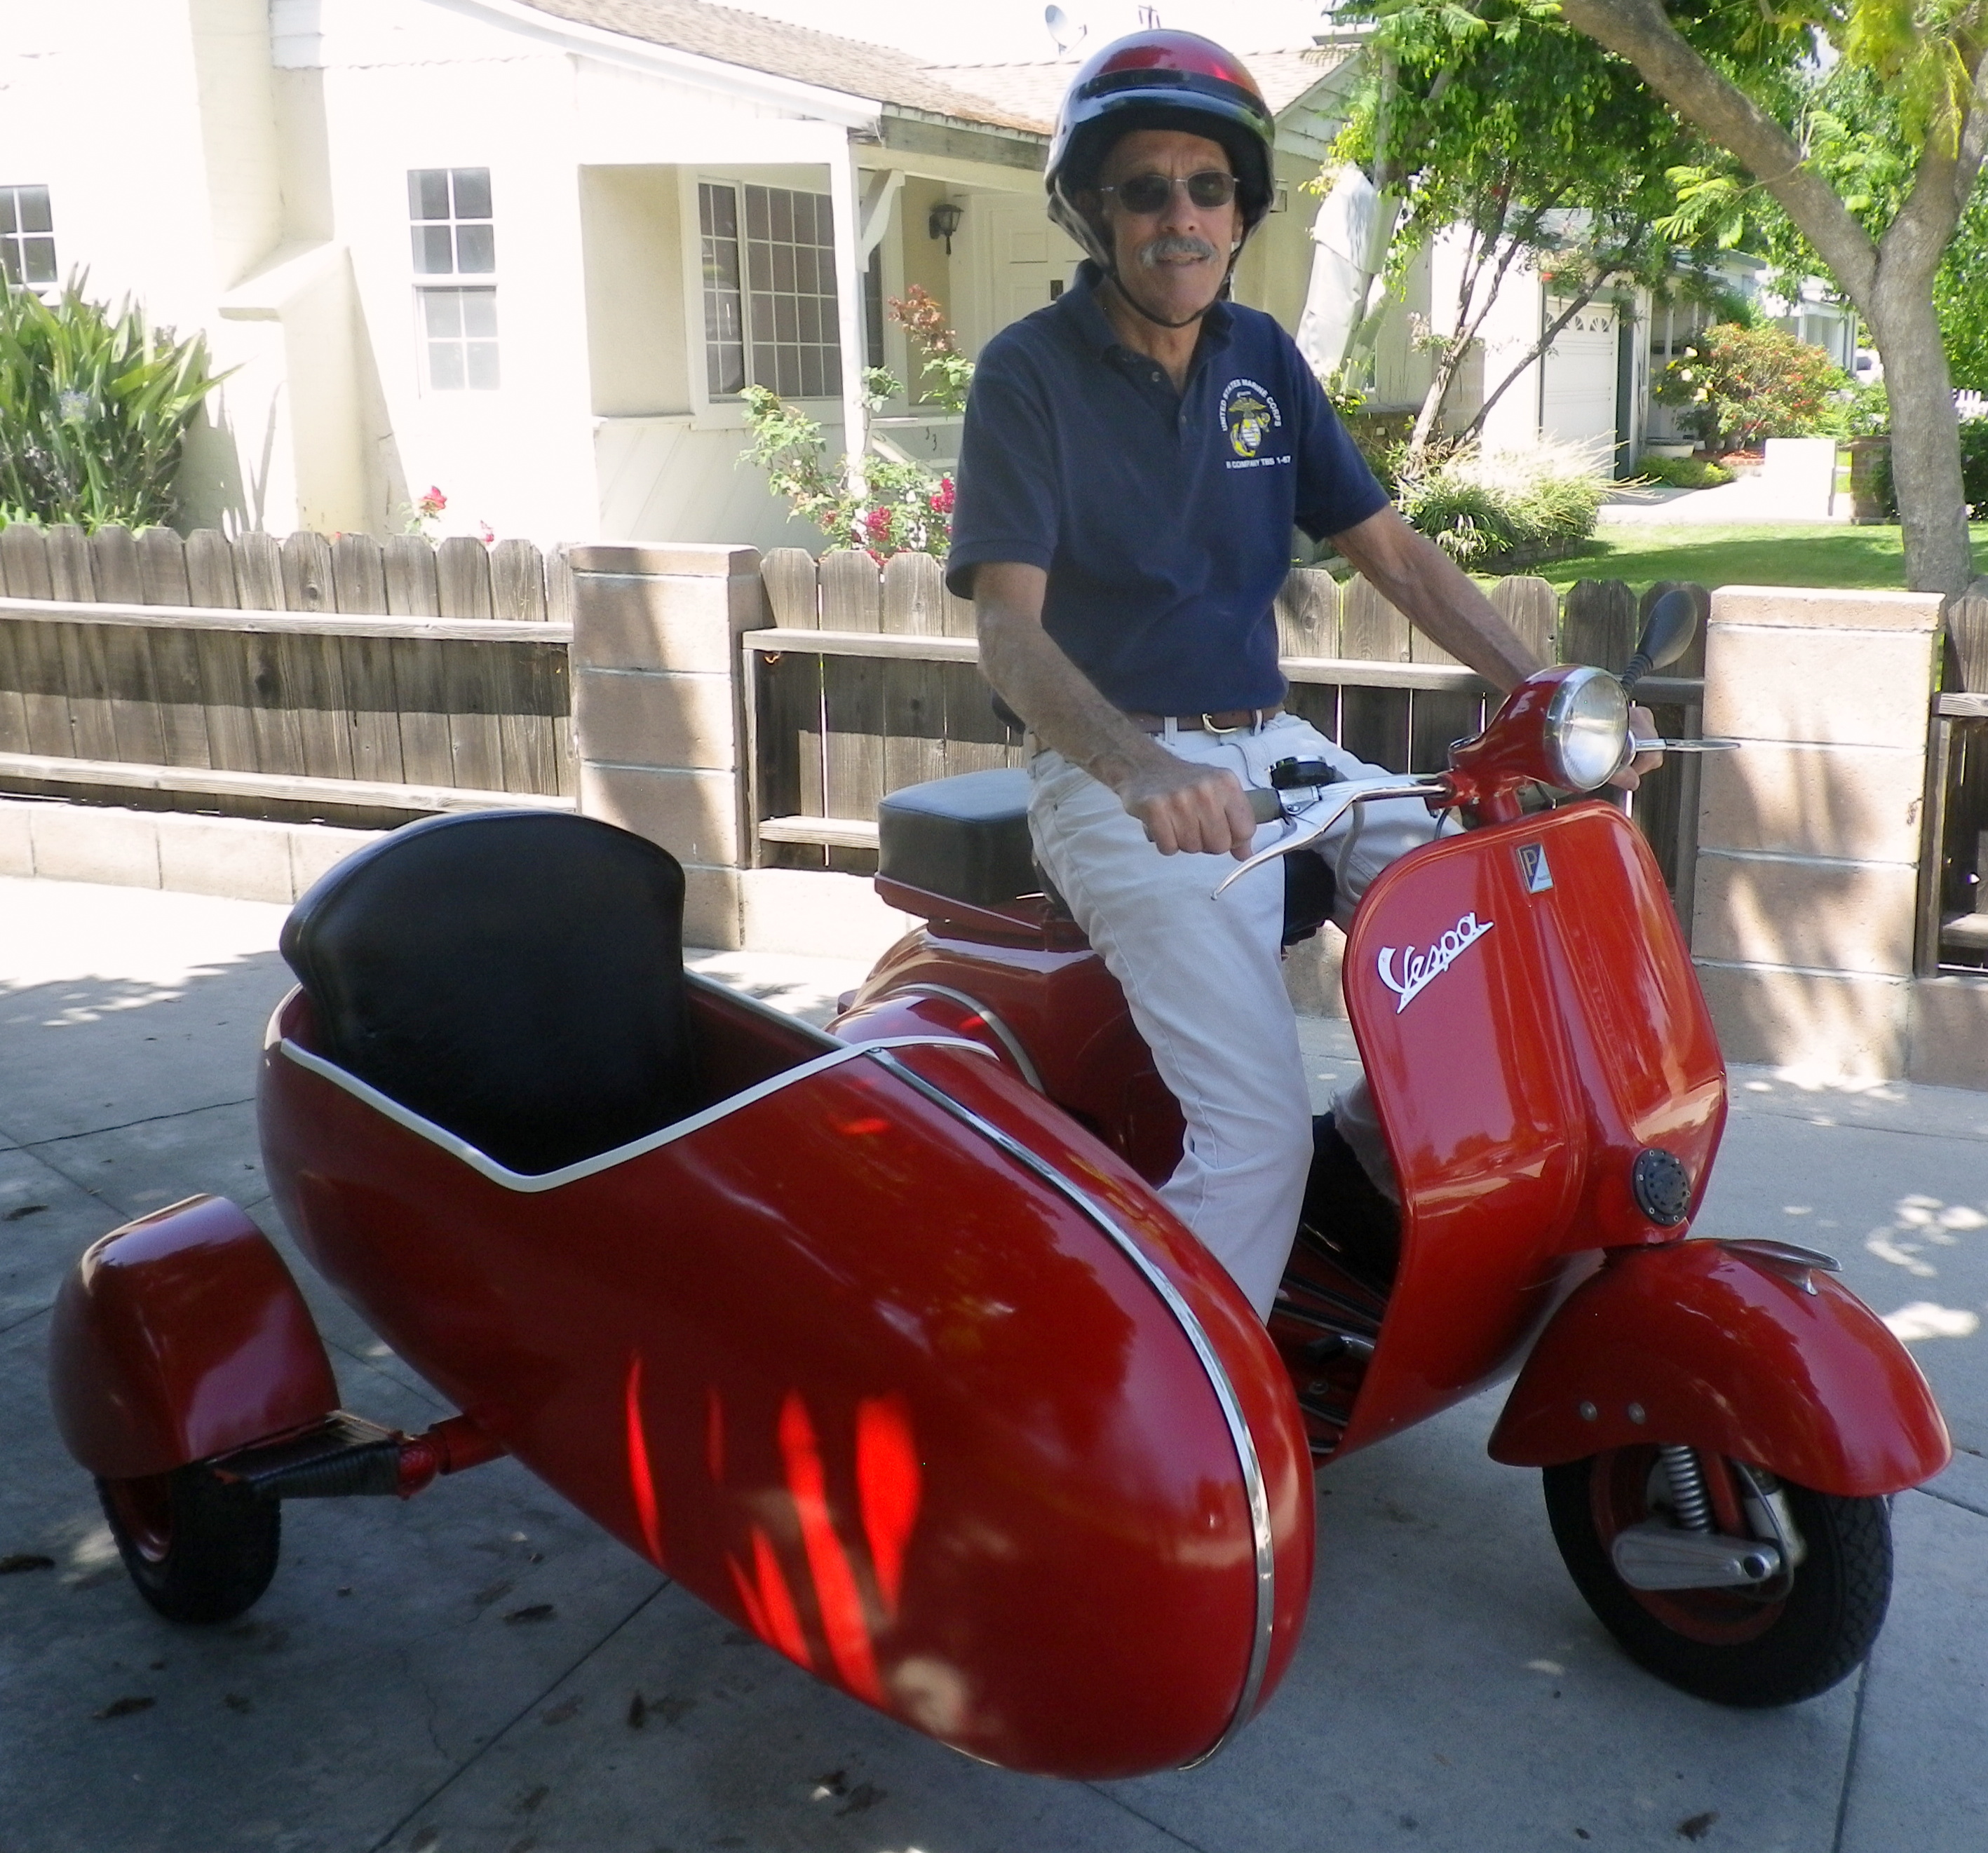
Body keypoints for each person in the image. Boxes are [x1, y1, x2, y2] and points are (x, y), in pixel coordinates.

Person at [945, 29, 1654, 1319]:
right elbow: (1007, 629)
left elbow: (1395, 554)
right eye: (1145, 189)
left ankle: (1357, 1195)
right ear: (1093, 209)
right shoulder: (1028, 375)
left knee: (1505, 963)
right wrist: (1137, 766)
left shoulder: (1259, 356)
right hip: (1115, 779)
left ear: (1241, 210)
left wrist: (1547, 699)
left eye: (1207, 187)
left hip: (1277, 753)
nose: (1179, 217)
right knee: (1251, 1135)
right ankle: (1175, 1407)